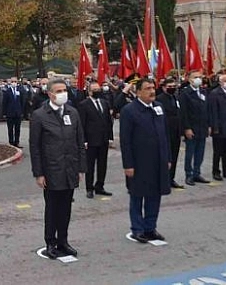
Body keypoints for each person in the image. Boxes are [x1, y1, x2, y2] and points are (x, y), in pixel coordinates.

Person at [30, 78, 86, 259]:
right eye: (59, 91)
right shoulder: (39, 115)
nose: (63, 93)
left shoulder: (73, 112)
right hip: (51, 170)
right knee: (52, 208)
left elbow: (79, 142)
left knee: (66, 208)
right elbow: (35, 147)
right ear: (50, 94)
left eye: (65, 90)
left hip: (70, 168)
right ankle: (50, 242)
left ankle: (63, 240)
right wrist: (38, 173)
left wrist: (81, 168)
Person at [120, 78, 171, 244]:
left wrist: (168, 157)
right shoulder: (129, 110)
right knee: (137, 195)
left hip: (158, 160)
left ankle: (150, 227)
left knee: (155, 195)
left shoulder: (158, 108)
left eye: (153, 87)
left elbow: (165, 135)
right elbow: (125, 140)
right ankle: (137, 229)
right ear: (138, 92)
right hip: (139, 162)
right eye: (148, 88)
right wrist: (128, 164)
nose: (152, 91)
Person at [78, 81, 112, 199]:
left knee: (103, 164)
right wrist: (84, 140)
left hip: (103, 139)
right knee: (90, 165)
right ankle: (89, 188)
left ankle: (100, 186)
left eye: (99, 89)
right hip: (91, 140)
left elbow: (109, 121)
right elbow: (82, 124)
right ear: (90, 91)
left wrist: (110, 137)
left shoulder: (104, 103)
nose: (98, 91)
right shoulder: (84, 104)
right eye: (95, 90)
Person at [179, 70, 210, 186]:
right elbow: (184, 113)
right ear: (190, 79)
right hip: (191, 127)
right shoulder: (185, 93)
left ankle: (197, 173)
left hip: (202, 127)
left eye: (200, 77)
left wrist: (208, 125)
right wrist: (187, 128)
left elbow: (207, 110)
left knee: (200, 152)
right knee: (190, 152)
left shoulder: (203, 92)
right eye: (195, 77)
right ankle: (189, 174)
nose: (198, 79)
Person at [155, 78, 183, 188]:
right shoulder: (159, 100)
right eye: (169, 87)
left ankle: (171, 178)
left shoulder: (175, 97)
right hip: (165, 132)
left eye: (173, 86)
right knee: (165, 157)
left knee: (174, 156)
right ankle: (163, 179)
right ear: (163, 87)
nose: (172, 88)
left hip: (176, 132)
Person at [2, 77, 24, 147]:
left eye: (15, 81)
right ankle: (11, 142)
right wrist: (4, 113)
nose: (14, 83)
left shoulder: (20, 90)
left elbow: (22, 101)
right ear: (10, 82)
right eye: (12, 81)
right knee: (10, 129)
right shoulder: (7, 91)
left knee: (17, 129)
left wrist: (22, 111)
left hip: (18, 113)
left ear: (17, 82)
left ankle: (17, 142)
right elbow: (4, 103)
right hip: (10, 113)